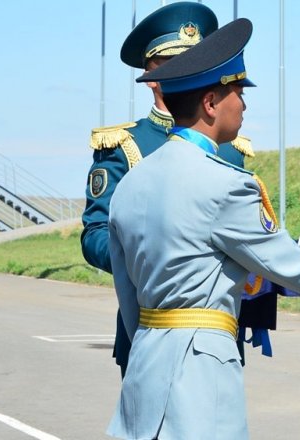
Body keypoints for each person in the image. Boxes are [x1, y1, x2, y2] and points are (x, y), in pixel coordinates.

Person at [105, 18, 300, 439]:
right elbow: (290, 264)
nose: (244, 105)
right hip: (199, 378)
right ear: (210, 103)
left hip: (144, 370)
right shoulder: (223, 184)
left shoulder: (131, 183)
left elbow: (128, 298)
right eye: (238, 92)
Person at [80, 2, 236, 378]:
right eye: (174, 65)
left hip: (217, 332)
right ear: (151, 76)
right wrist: (146, 257)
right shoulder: (124, 146)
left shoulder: (231, 149)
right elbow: (96, 234)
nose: (188, 74)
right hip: (148, 325)